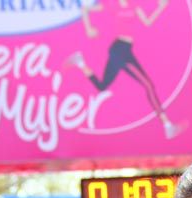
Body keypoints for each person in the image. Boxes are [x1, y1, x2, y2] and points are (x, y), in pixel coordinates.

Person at [68, 0, 184, 139]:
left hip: (124, 49)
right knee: (148, 85)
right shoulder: (111, 4)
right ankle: (167, 126)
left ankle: (80, 62)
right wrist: (89, 29)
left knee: (102, 86)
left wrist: (161, 8)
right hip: (119, 50)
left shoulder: (134, 4)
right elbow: (85, 9)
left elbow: (147, 22)